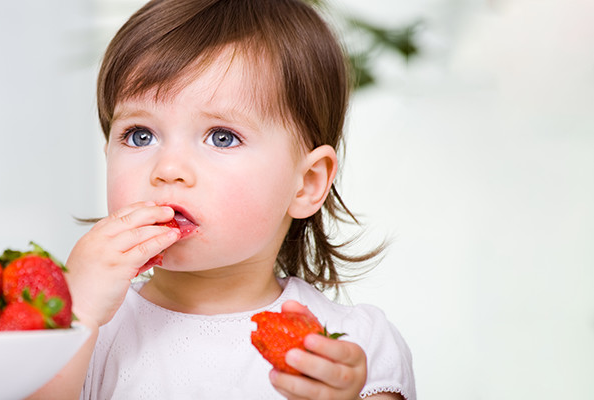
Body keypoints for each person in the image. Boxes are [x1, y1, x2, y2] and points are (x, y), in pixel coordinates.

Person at [32, 0, 415, 398]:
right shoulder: (91, 329)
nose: (168, 169)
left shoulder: (351, 348)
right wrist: (73, 316)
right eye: (140, 135)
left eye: (222, 137)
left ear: (305, 184)